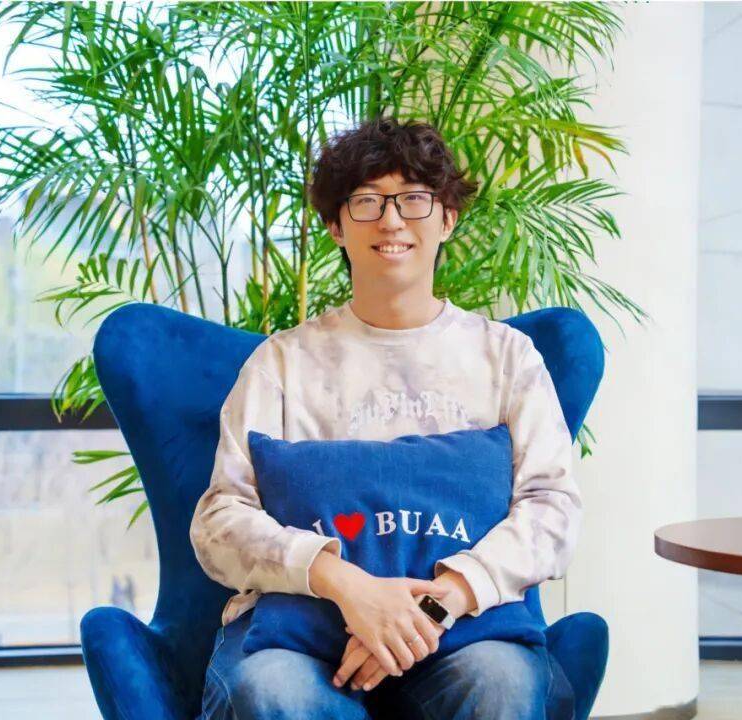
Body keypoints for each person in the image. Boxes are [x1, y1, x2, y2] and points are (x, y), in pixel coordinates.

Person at [189, 117, 581, 720]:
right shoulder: (281, 363)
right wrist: (349, 587)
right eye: (367, 201)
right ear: (336, 226)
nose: (392, 221)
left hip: (465, 628)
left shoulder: (506, 357)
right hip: (300, 634)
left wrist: (437, 605)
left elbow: (552, 508)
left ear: (447, 219)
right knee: (272, 691)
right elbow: (220, 520)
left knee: (500, 684)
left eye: (414, 199)